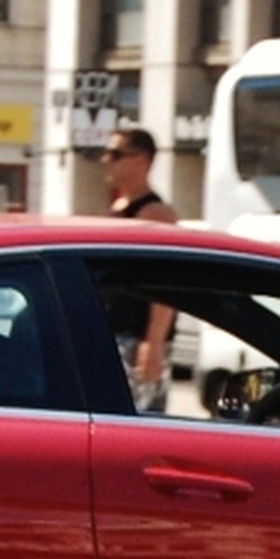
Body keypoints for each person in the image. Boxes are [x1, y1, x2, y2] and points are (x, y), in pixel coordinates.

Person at [99, 126, 178, 411]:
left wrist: (153, 342)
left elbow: (166, 282)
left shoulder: (156, 214)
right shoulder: (119, 207)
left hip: (137, 340)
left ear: (141, 161)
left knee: (135, 421)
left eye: (116, 154)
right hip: (113, 333)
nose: (106, 160)